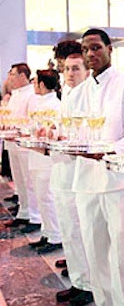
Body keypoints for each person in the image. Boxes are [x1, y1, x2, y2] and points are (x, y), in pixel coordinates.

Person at [71, 28, 124, 306]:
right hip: (86, 182)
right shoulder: (77, 93)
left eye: (96, 48)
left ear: (109, 49)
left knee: (123, 253)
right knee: (95, 252)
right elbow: (70, 133)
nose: (91, 54)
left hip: (118, 182)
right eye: (86, 49)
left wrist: (106, 151)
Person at [50, 51, 94, 306]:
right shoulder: (66, 93)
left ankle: (86, 284)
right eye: (66, 69)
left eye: (76, 68)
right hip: (62, 168)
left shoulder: (89, 94)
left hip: (78, 170)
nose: (70, 73)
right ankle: (78, 277)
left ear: (86, 71)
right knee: (68, 227)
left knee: (79, 229)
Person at [3, 63, 41, 233]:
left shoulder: (31, 95)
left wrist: (19, 131)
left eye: (12, 74)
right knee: (19, 181)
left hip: (25, 145)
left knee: (29, 182)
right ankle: (23, 211)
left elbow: (33, 121)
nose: (9, 78)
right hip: (13, 142)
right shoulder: (15, 95)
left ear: (23, 76)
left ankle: (34, 215)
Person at [27, 69, 62, 254]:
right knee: (41, 196)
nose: (34, 85)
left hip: (46, 158)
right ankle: (47, 232)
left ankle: (56, 235)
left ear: (42, 84)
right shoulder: (38, 102)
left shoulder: (55, 105)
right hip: (35, 154)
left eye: (35, 82)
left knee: (48, 197)